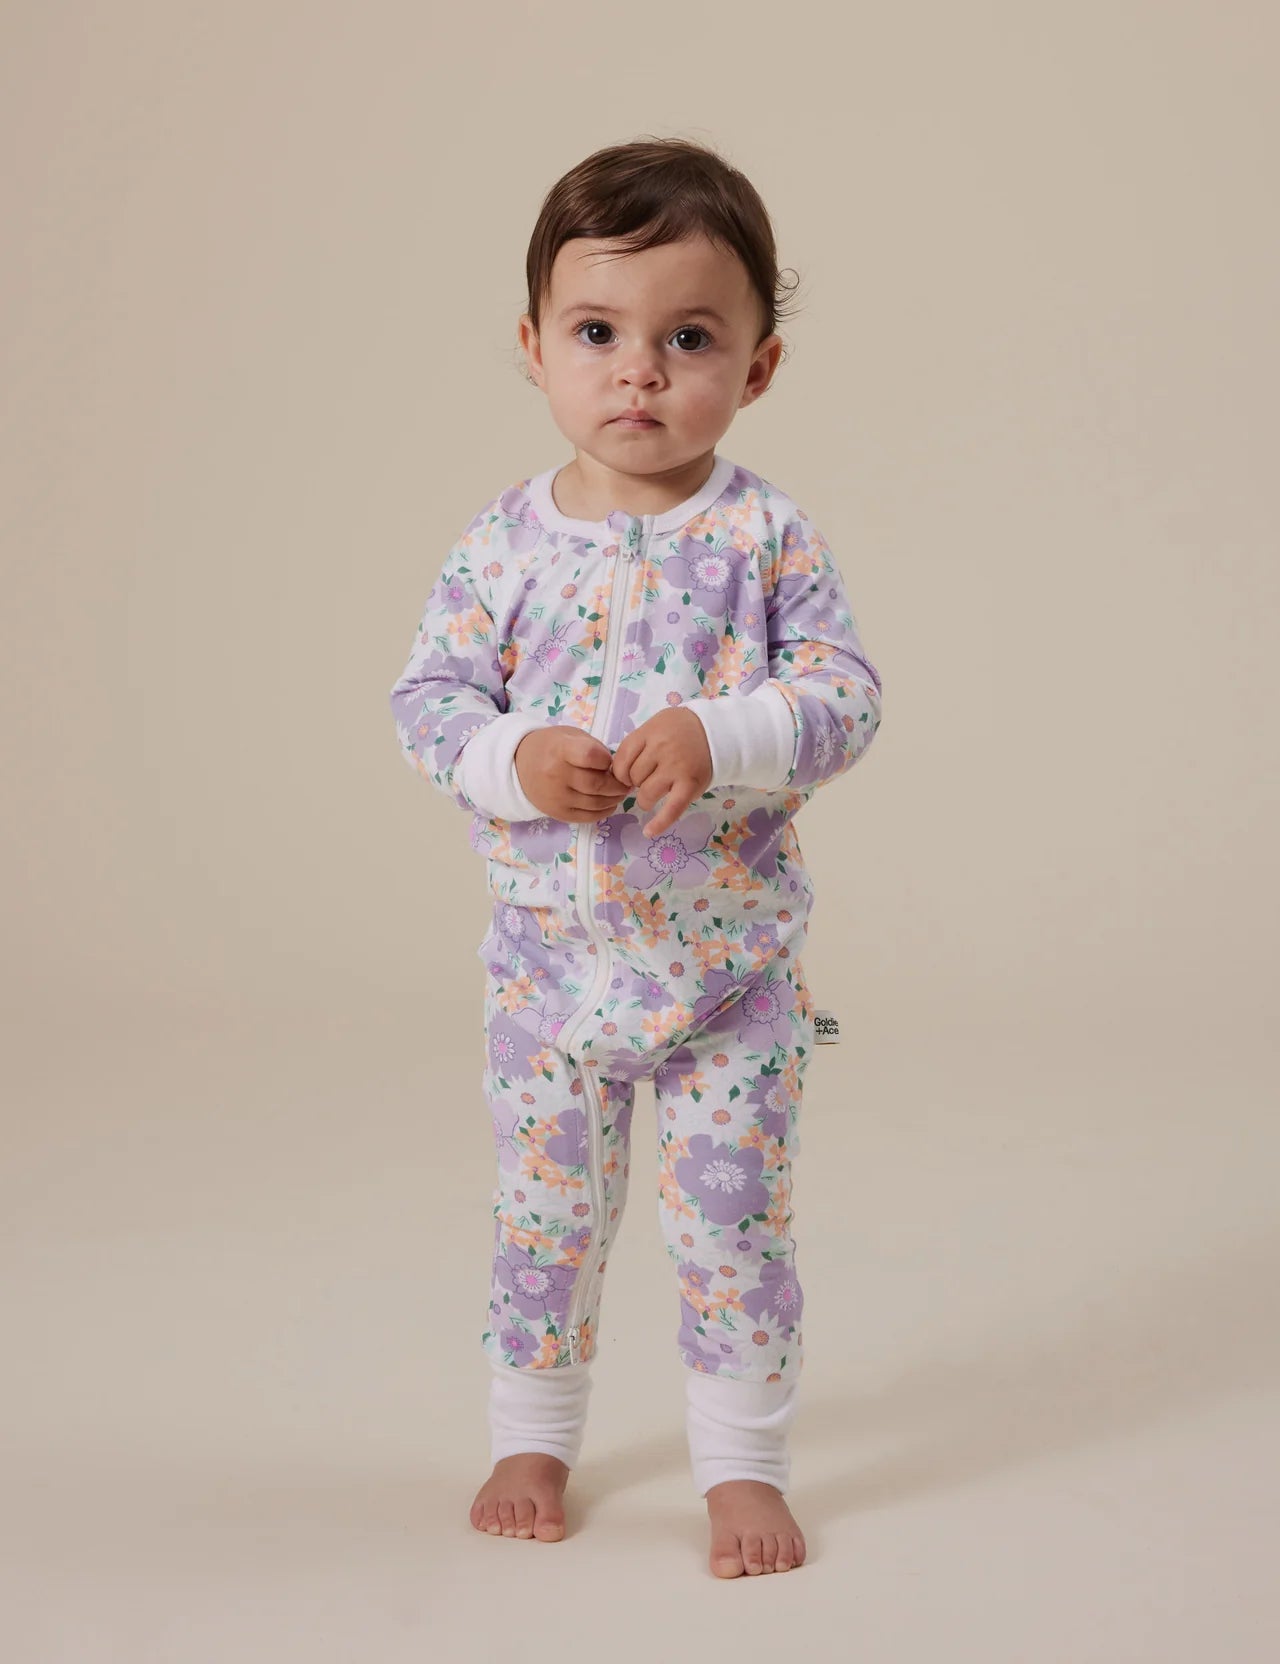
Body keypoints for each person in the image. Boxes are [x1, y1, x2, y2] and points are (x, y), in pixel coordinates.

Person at [388, 137, 883, 1578]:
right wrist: (514, 759)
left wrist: (727, 733)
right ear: (534, 346)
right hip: (549, 982)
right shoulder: (501, 548)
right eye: (598, 334)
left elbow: (847, 699)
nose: (640, 375)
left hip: (730, 983)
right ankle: (532, 1437)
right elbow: (427, 703)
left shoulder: (766, 538)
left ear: (759, 367)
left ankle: (742, 1467)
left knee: (734, 1232)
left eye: (690, 339)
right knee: (545, 1225)